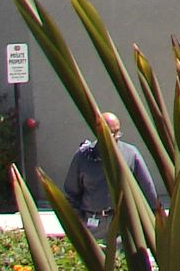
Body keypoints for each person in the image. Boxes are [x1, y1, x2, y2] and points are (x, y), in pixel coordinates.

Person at [65, 112, 162, 271]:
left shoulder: (130, 154)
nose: (115, 137)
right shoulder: (83, 157)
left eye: (117, 132)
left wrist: (154, 224)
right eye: (111, 132)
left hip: (124, 224)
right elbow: (71, 193)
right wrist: (80, 222)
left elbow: (148, 191)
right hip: (94, 224)